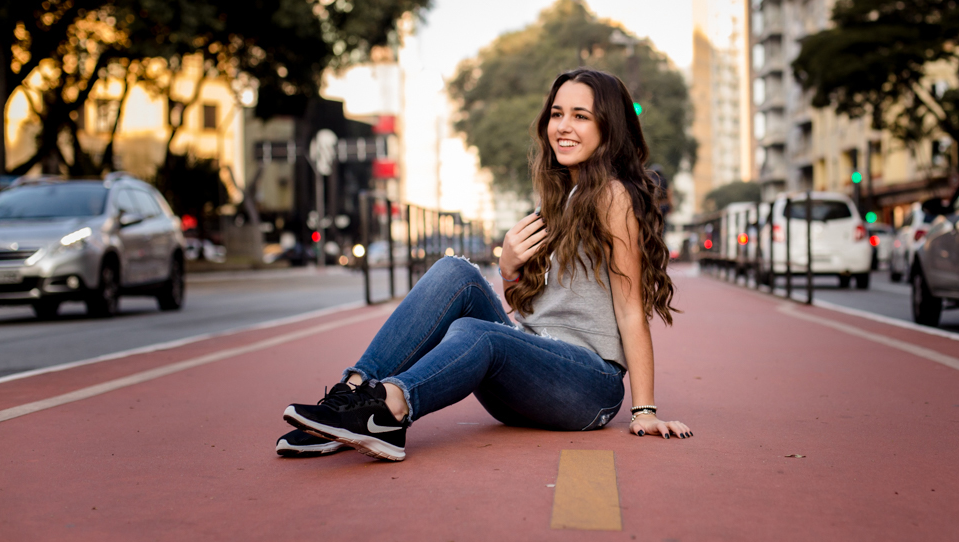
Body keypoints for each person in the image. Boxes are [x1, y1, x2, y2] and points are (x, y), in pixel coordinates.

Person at [277, 68, 691, 461]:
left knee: (477, 333)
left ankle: (389, 410)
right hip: (531, 373)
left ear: (608, 127)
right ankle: (349, 400)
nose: (563, 126)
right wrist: (510, 266)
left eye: (580, 116)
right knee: (454, 271)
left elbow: (630, 308)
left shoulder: (613, 196)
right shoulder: (562, 197)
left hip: (587, 387)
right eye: (557, 114)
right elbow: (529, 309)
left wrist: (644, 412)